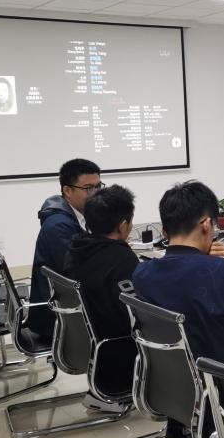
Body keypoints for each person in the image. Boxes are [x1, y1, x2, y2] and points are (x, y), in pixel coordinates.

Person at [132, 180, 224, 438]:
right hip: (221, 390)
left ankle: (180, 428)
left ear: (165, 231)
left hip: (171, 385)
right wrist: (222, 266)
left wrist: (207, 260)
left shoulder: (142, 274)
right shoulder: (223, 274)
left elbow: (183, 279)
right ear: (207, 225)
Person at [63, 184, 140, 410]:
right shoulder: (121, 259)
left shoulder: (77, 248)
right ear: (123, 225)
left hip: (89, 344)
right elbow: (136, 314)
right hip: (117, 354)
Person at [26, 158, 102, 349]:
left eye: (98, 186)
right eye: (88, 188)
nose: (96, 194)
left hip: (63, 307)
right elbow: (79, 272)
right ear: (67, 191)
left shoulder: (74, 216)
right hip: (57, 319)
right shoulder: (59, 225)